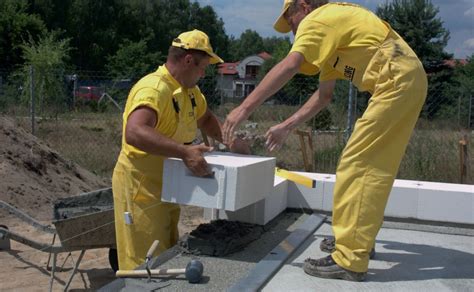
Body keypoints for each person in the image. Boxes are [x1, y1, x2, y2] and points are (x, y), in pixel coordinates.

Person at [223, 0, 427, 281]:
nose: (293, 32)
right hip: (402, 80)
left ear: (303, 7)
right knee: (369, 168)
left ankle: (350, 258)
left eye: (291, 21)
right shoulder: (334, 42)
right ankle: (355, 241)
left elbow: (290, 64)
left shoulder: (318, 20)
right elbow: (323, 97)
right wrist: (286, 125)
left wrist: (243, 108)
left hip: (396, 82)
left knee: (359, 166)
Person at [112, 29, 248, 270]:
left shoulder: (190, 92)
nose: (203, 73)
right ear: (187, 60)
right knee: (144, 260)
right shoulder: (154, 89)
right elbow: (134, 131)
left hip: (167, 186)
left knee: (166, 250)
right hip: (140, 189)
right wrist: (185, 152)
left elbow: (205, 119)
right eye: (202, 67)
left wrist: (231, 141)